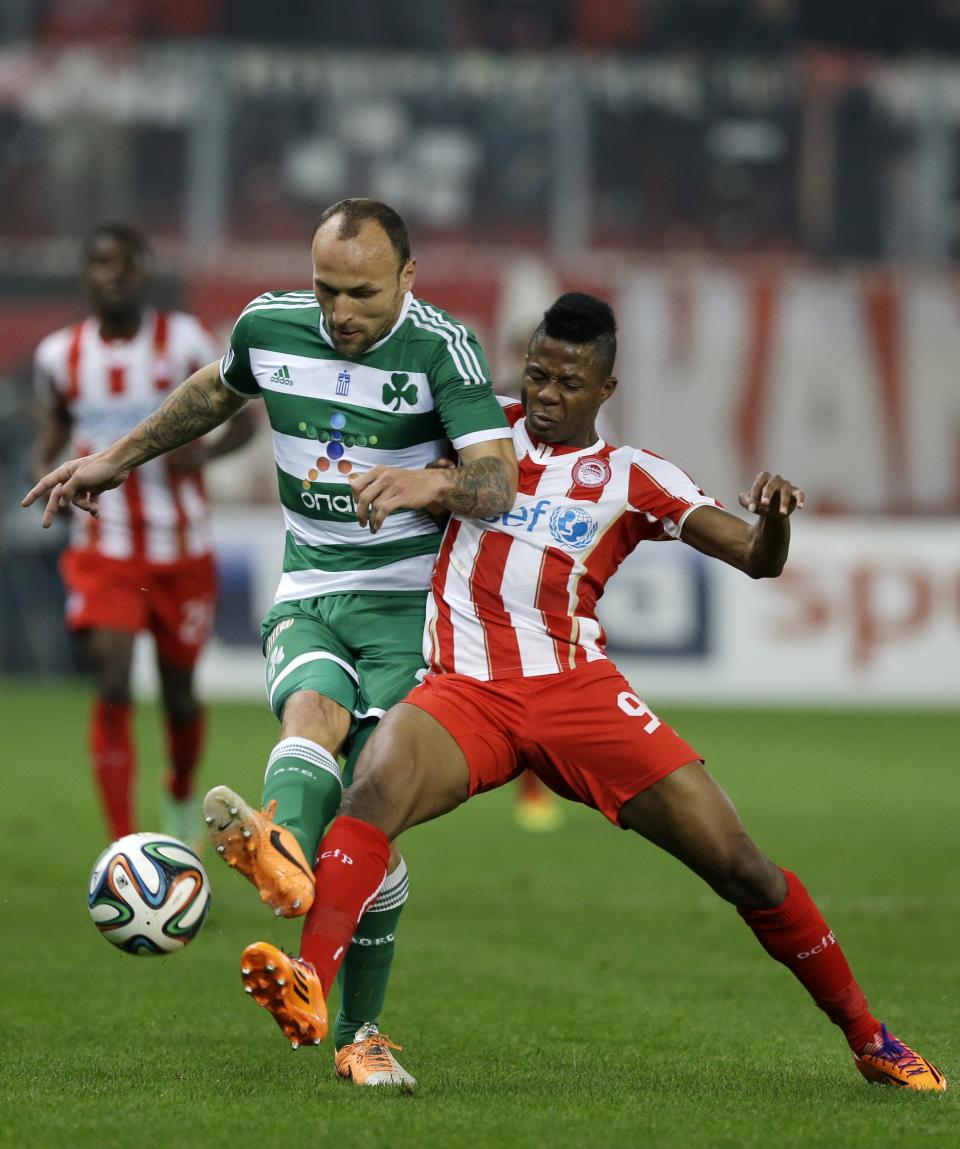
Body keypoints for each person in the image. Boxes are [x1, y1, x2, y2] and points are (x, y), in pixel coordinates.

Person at [233, 293, 945, 1093]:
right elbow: (359, 415)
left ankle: (869, 1035)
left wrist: (774, 519)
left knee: (743, 866)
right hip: (466, 692)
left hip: (578, 695)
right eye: (536, 374)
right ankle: (310, 982)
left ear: (606, 388)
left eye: (568, 382)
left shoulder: (635, 476)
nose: (545, 394)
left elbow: (756, 557)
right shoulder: (479, 430)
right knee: (371, 794)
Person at [24, 198, 518, 1087]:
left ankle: (338, 977)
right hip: (312, 588)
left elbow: (498, 480)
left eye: (362, 293)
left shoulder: (442, 348)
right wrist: (114, 459)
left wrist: (427, 483)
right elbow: (215, 390)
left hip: (413, 606)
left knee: (370, 819)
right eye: (327, 289)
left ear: (407, 278)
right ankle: (287, 858)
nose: (340, 313)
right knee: (310, 712)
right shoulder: (271, 323)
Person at [30, 223, 256, 847]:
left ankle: (181, 795)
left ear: (145, 273)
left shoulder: (183, 341)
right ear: (86, 276)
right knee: (113, 681)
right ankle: (125, 844)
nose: (113, 274)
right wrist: (48, 478)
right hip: (102, 549)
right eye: (101, 263)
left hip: (181, 550)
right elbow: (47, 444)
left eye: (125, 264)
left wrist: (201, 458)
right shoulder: (59, 357)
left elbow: (246, 421)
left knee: (181, 698)